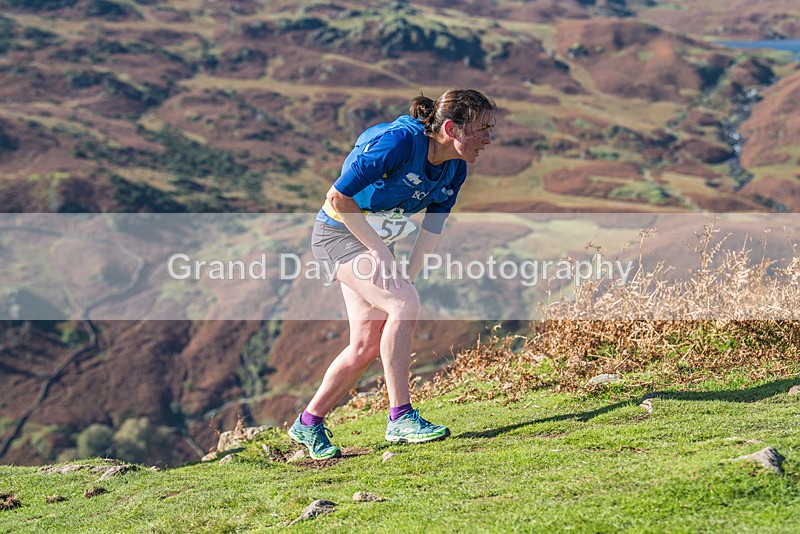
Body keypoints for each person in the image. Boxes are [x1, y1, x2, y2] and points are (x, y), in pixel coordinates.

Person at [288, 88, 497, 459]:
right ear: (451, 127)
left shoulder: (455, 167)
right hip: (340, 233)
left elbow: (432, 230)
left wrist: (407, 278)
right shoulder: (398, 143)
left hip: (377, 241)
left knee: (367, 344)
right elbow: (338, 197)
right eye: (481, 129)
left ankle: (308, 422)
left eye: (490, 128)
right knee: (403, 304)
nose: (488, 138)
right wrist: (381, 256)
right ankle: (400, 418)